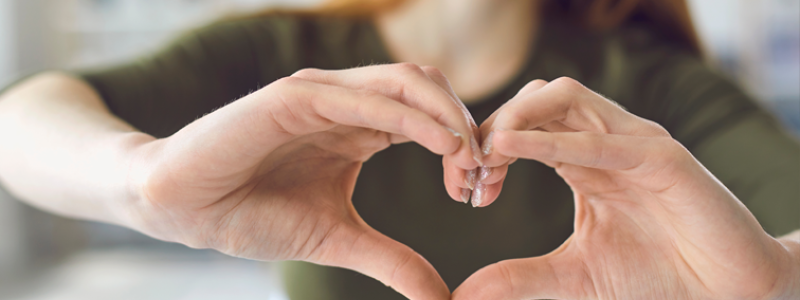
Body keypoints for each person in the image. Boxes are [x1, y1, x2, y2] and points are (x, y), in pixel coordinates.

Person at [0, 0, 797, 299]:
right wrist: (140, 180)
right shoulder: (285, 54)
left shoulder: (642, 84)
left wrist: (775, 280)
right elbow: (21, 120)